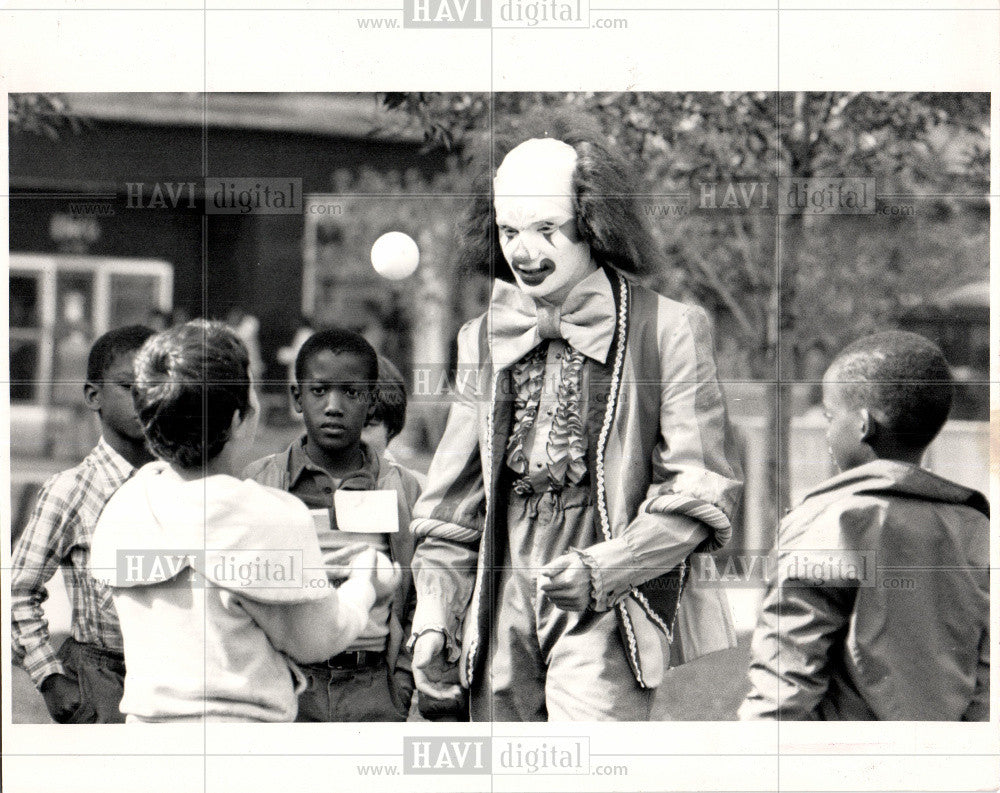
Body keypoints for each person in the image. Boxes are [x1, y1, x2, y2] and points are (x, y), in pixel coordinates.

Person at [409, 117, 744, 722]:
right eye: (509, 230)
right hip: (503, 591)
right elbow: (451, 509)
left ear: (593, 223)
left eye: (544, 228)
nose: (524, 251)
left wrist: (605, 569)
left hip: (611, 603)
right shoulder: (481, 339)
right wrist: (434, 616)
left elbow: (696, 493)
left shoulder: (669, 328)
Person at [89, 320, 398, 722]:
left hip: (147, 739)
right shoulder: (269, 515)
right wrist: (364, 585)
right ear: (238, 419)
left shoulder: (126, 503)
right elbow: (316, 639)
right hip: (241, 744)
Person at [740, 331, 989, 720]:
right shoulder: (979, 530)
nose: (825, 430)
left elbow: (783, 687)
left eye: (828, 415)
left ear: (862, 424)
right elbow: (987, 684)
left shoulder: (826, 523)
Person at [244, 329, 422, 722]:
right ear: (297, 398)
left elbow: (417, 595)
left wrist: (402, 680)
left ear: (372, 399)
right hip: (288, 684)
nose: (334, 407)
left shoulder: (405, 489)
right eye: (320, 391)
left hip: (372, 685)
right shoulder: (259, 483)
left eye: (352, 393)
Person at [12, 325, 156, 723]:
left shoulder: (182, 484)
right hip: (102, 679)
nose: (146, 401)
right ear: (94, 395)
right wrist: (49, 677)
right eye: (130, 387)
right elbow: (17, 589)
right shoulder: (71, 489)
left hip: (172, 678)